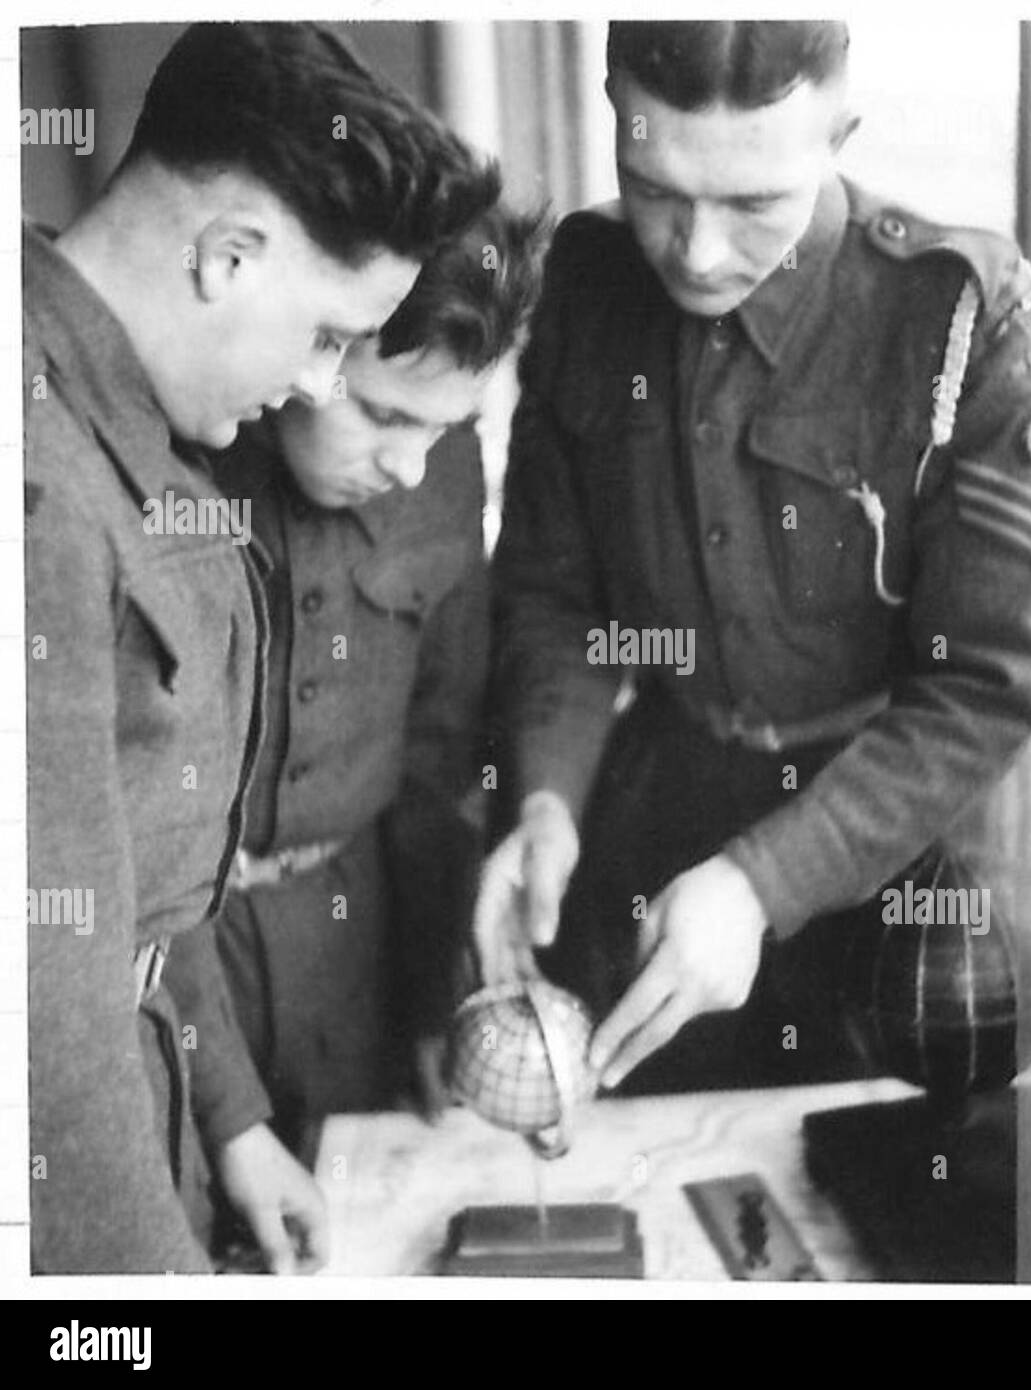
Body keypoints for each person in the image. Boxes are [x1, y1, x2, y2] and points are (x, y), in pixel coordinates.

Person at [474, 20, 1031, 1094]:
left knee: (875, 1197)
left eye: (751, 204)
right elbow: (552, 599)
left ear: (838, 133)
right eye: (651, 185)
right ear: (612, 112)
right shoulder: (580, 287)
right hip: (651, 837)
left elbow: (982, 687)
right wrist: (546, 800)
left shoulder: (959, 319)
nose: (694, 251)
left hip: (894, 872)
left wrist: (760, 884)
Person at [25, 20, 498, 1274]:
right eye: (331, 335)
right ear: (229, 256)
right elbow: (49, 1033)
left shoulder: (110, 416)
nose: (312, 386)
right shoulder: (40, 481)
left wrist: (229, 1135)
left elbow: (138, 876)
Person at [178, 204, 547, 1161]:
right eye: (381, 413)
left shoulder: (443, 465)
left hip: (353, 946)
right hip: (176, 951)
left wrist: (430, 1001)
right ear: (313, 343)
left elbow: (439, 760)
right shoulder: (182, 448)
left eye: (445, 424)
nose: (406, 463)